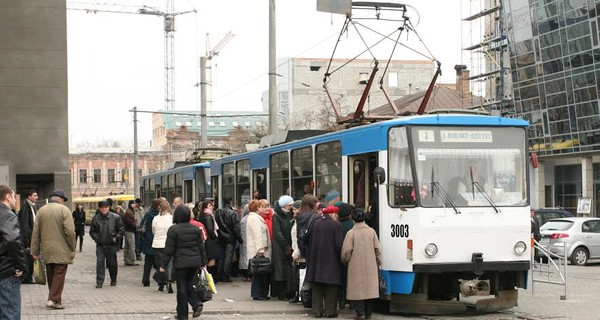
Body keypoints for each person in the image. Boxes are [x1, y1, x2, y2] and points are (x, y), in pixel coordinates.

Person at [30, 189, 76, 310]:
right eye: (63, 200)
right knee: (59, 275)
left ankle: (55, 300)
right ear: (60, 199)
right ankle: (53, 299)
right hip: (62, 250)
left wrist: (34, 251)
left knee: (52, 275)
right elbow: (70, 231)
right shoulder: (64, 210)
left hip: (46, 250)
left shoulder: (41, 211)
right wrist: (73, 246)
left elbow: (35, 233)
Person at [160, 205, 206, 320]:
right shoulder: (195, 229)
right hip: (195, 262)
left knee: (181, 290)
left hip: (181, 264)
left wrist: (163, 265)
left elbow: (169, 249)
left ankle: (183, 315)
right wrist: (203, 262)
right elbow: (201, 248)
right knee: (190, 284)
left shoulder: (173, 230)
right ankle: (196, 304)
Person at [341, 210, 381, 320]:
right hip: (371, 265)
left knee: (357, 290)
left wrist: (346, 261)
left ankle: (360, 313)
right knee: (369, 291)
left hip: (355, 265)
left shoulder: (351, 233)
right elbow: (377, 249)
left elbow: (346, 252)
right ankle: (368, 314)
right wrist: (378, 261)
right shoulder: (371, 231)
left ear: (353, 219)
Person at [305, 205, 343, 318]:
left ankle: (317, 311)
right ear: (333, 214)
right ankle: (330, 311)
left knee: (317, 286)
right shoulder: (336, 225)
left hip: (315, 261)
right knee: (331, 287)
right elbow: (339, 245)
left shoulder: (315, 223)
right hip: (331, 261)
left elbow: (306, 240)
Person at [0, 185, 27, 319]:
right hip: (7, 271)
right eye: (14, 195)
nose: (15, 199)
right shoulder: (7, 215)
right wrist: (21, 266)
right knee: (10, 313)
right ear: (7, 196)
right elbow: (12, 240)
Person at [89, 200, 124, 288]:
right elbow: (92, 231)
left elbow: (121, 229)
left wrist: (116, 238)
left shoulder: (115, 217)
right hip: (100, 245)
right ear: (99, 209)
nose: (104, 209)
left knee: (112, 263)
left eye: (106, 208)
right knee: (100, 263)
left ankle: (113, 279)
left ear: (109, 208)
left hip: (111, 244)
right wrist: (97, 238)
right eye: (102, 208)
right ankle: (99, 281)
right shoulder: (96, 218)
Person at [246, 199, 271, 300]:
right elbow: (258, 235)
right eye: (261, 207)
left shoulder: (253, 218)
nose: (263, 208)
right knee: (259, 272)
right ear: (257, 208)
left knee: (258, 273)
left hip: (257, 250)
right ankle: (259, 293)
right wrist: (260, 250)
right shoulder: (255, 219)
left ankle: (259, 293)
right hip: (259, 250)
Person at [271, 195, 294, 301]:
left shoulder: (290, 215)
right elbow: (278, 233)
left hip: (287, 246)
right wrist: (286, 246)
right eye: (290, 205)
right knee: (281, 271)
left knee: (287, 270)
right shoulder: (276, 216)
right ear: (284, 205)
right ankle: (281, 293)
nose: (291, 207)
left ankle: (288, 291)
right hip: (280, 247)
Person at [215, 196, 242, 282]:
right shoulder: (232, 213)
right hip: (230, 237)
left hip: (221, 237)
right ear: (230, 201)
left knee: (222, 256)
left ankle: (219, 274)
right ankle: (226, 276)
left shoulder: (218, 211)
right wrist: (239, 238)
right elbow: (235, 227)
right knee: (228, 257)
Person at [334, 201, 355, 310]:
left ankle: (341, 302)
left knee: (341, 279)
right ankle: (351, 302)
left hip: (339, 256)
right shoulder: (352, 224)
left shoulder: (337, 224)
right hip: (352, 256)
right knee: (350, 279)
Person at [152, 199, 174, 293]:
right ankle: (169, 282)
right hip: (169, 244)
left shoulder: (156, 218)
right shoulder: (172, 218)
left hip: (157, 244)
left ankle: (161, 284)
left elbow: (153, 231)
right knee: (169, 263)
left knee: (160, 264)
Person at [18, 189, 38, 284]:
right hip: (28, 240)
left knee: (31, 258)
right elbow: (24, 226)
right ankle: (27, 278)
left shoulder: (31, 207)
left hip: (31, 238)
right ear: (29, 197)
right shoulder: (25, 208)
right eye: (34, 195)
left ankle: (28, 277)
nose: (36, 197)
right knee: (29, 258)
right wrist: (27, 242)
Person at [140, 198, 161, 287]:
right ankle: (160, 280)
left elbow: (142, 226)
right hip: (159, 241)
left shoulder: (148, 214)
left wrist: (145, 237)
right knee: (159, 262)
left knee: (148, 263)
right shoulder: (161, 216)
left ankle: (145, 280)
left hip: (149, 240)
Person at [123, 200, 139, 266]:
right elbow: (129, 221)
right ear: (130, 204)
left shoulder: (129, 211)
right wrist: (134, 225)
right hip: (129, 230)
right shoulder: (129, 212)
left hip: (128, 230)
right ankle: (132, 260)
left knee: (127, 246)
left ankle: (127, 260)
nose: (135, 205)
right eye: (133, 204)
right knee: (131, 245)